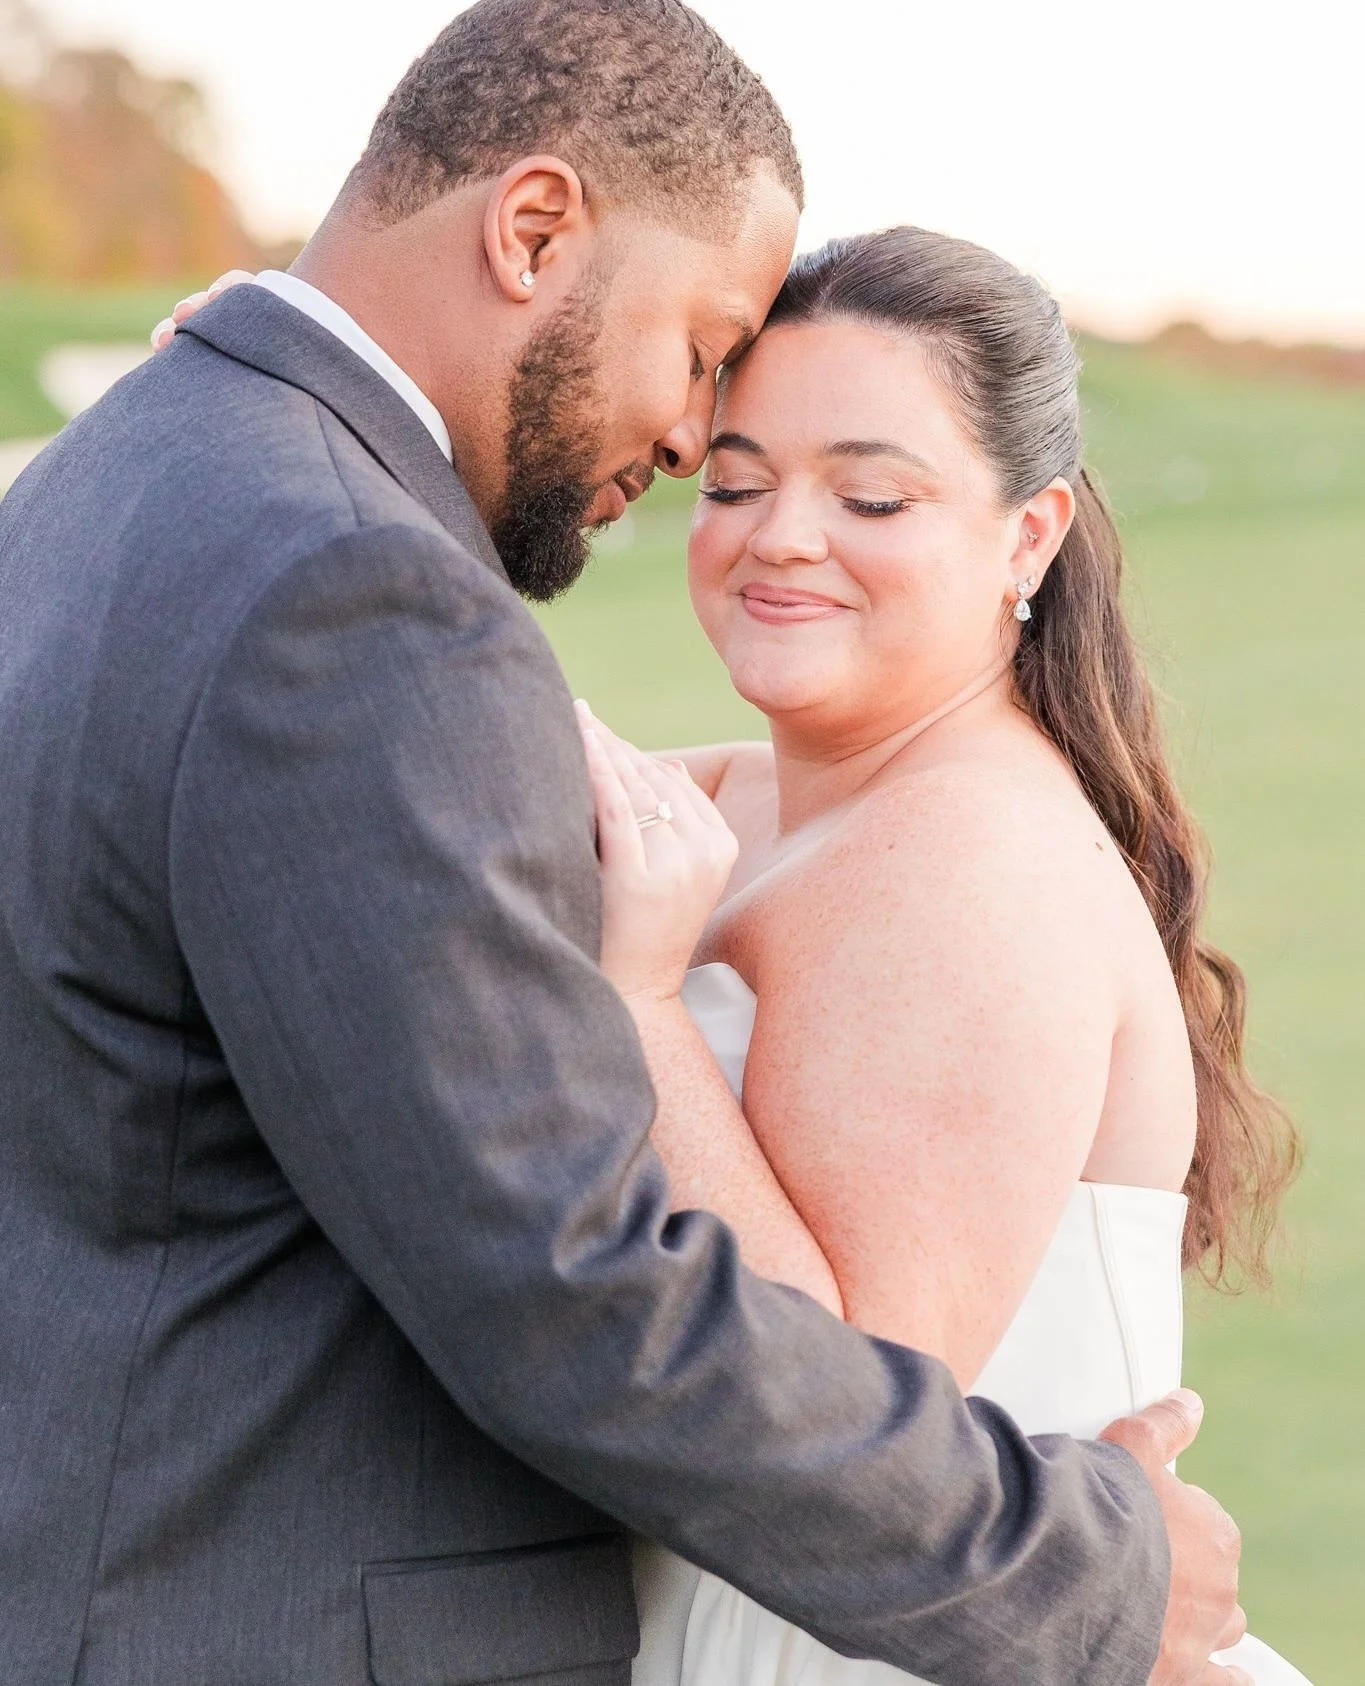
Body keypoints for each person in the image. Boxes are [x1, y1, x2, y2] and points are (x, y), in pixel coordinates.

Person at [0, 2, 1243, 1683]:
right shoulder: (344, 586)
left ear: (1026, 535)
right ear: (533, 231)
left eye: (870, 495)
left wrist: (243, 384)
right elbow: (575, 1284)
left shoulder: (116, 484)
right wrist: (1083, 1569)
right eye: (712, 394)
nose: (682, 455)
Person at [571, 226, 1306, 1686]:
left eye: (871, 494)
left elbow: (846, 1421)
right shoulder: (762, 796)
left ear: (1026, 535)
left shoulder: (973, 855)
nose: (781, 533)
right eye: (735, 480)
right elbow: (450, 753)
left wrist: (641, 1006)